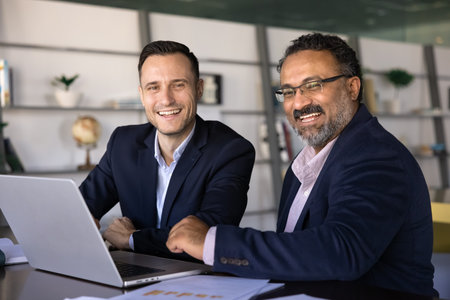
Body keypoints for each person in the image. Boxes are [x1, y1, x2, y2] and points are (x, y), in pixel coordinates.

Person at [166, 33, 436, 296]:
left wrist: (214, 243)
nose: (299, 103)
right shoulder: (305, 162)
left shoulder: (376, 155)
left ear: (352, 88)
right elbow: (299, 254)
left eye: (313, 85)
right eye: (288, 91)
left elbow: (342, 251)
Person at [79, 40, 255, 261]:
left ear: (199, 89)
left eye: (178, 84)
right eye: (154, 87)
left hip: (199, 281)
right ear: (142, 95)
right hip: (135, 272)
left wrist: (132, 239)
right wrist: (79, 225)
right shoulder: (123, 143)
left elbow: (205, 235)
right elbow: (80, 209)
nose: (166, 99)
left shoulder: (231, 150)